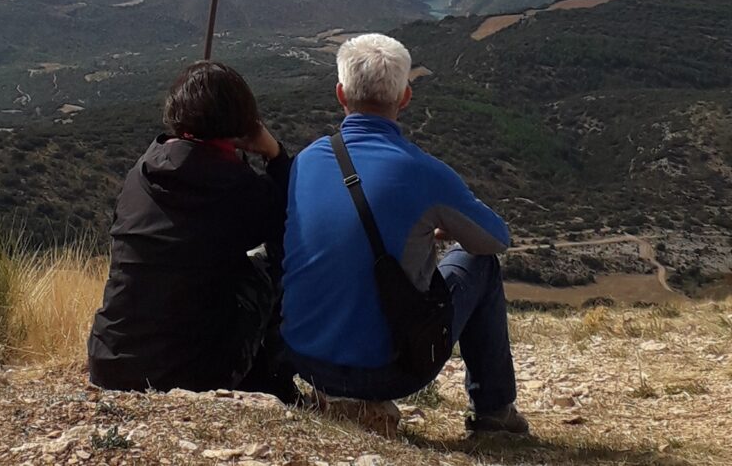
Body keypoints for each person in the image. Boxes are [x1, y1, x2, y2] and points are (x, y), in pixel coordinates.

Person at [282, 33, 529, 435]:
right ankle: (495, 413)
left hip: (305, 361)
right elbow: (495, 239)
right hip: (388, 371)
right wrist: (441, 226)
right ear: (406, 97)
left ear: (341, 95)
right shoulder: (424, 172)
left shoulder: (306, 161)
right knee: (477, 262)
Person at [88, 61, 295, 398]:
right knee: (273, 264)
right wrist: (274, 154)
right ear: (242, 121)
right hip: (189, 374)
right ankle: (270, 381)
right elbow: (288, 216)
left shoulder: (141, 172)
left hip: (110, 361)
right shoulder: (236, 188)